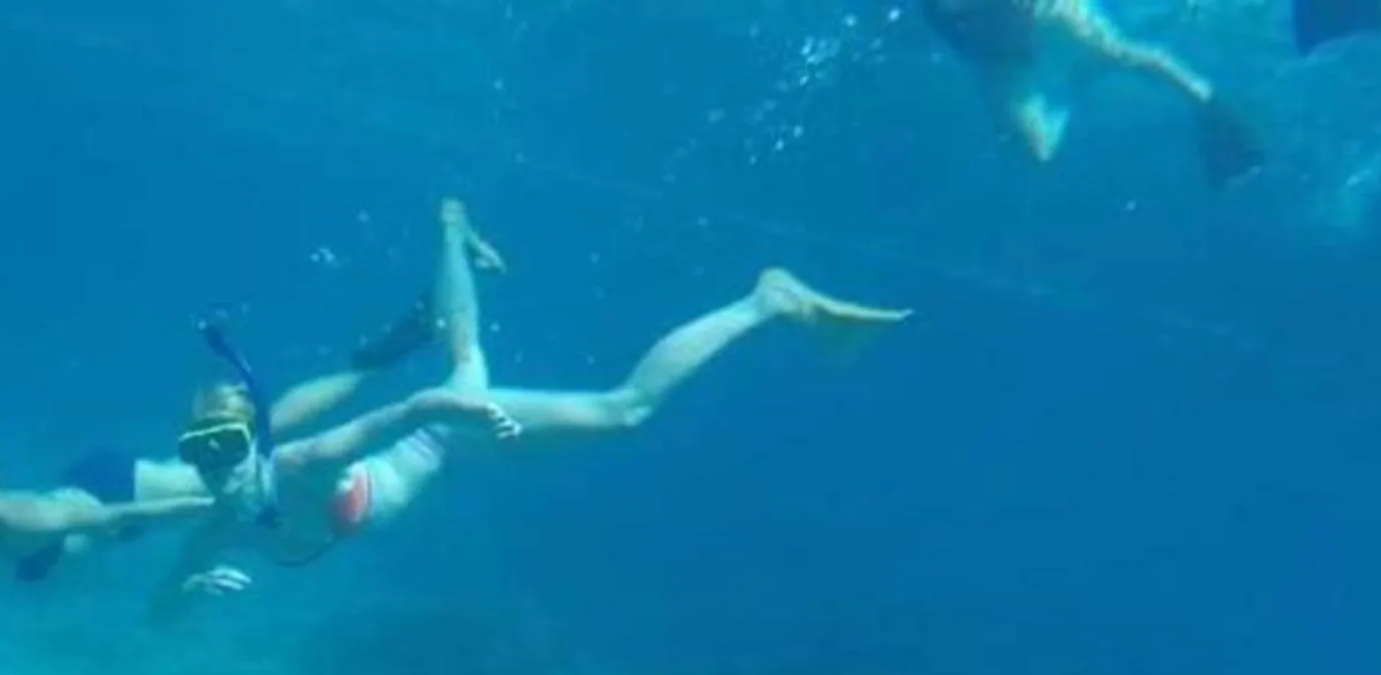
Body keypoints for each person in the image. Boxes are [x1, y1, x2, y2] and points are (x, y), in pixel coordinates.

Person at [151, 199, 907, 617]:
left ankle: (764, 300)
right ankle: (451, 229)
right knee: (468, 352)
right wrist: (186, 591)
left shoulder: (304, 462)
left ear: (255, 440)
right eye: (198, 453)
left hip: (444, 432)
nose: (212, 468)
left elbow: (410, 411)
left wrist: (474, 418)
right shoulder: (220, 523)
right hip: (437, 446)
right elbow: (159, 613)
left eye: (223, 447)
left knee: (623, 411)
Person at [0, 291, 452, 618]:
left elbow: (110, 522)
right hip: (97, 501)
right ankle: (369, 363)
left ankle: (373, 362)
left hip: (116, 495)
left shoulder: (22, 520)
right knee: (251, 445)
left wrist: (218, 502)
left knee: (255, 440)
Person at [917, 0, 1264, 186]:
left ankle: (1208, 100)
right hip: (996, 52)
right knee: (1038, 150)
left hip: (1041, 17)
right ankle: (1074, 80)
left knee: (1117, 53)